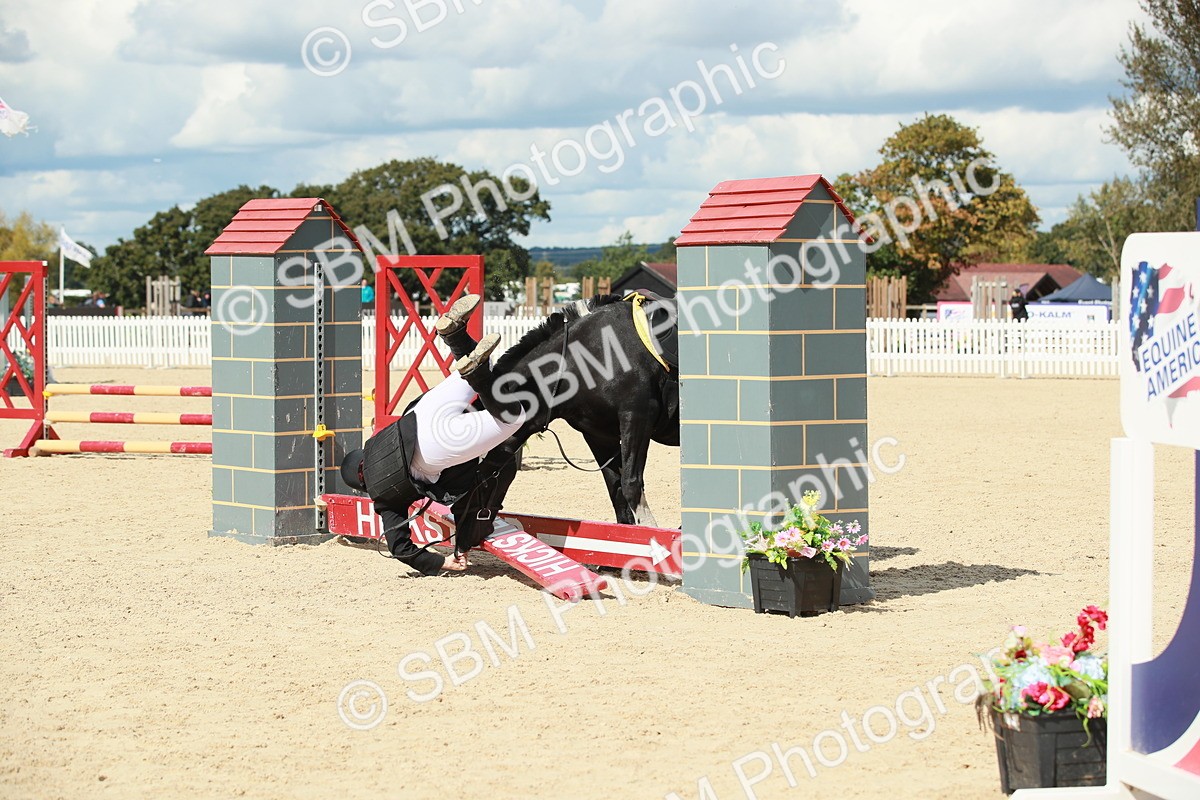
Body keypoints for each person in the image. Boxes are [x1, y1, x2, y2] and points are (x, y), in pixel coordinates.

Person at [340, 294, 528, 576]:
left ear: (363, 484)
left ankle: (475, 372)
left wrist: (442, 563)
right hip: (421, 411)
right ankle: (454, 335)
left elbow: (400, 548)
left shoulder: (383, 499)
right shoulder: (374, 443)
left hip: (433, 447)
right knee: (485, 365)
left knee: (512, 420)